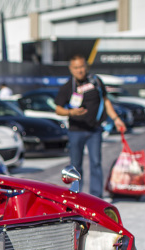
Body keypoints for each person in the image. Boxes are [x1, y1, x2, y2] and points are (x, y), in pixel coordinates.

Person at [55, 55, 126, 198]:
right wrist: (71, 112)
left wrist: (116, 119)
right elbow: (58, 109)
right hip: (76, 131)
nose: (79, 70)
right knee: (75, 166)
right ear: (71, 69)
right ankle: (76, 196)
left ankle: (96, 196)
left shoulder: (96, 81)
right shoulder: (67, 87)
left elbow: (105, 100)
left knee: (96, 163)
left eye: (82, 67)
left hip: (94, 130)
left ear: (86, 67)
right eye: (76, 68)